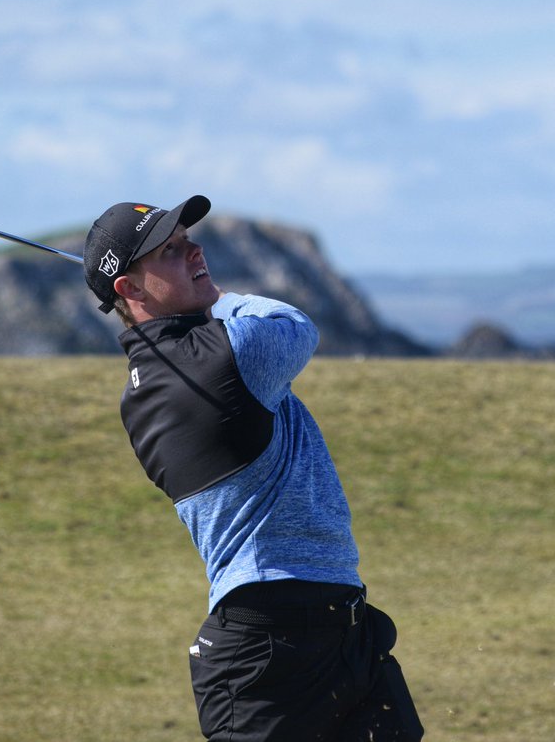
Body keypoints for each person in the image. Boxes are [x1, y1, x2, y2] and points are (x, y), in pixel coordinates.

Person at [83, 196, 423, 742]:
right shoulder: (227, 354)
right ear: (128, 288)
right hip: (270, 649)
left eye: (187, 238)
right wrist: (217, 300)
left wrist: (189, 302)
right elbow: (293, 324)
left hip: (333, 627)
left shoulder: (147, 386)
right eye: (170, 251)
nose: (194, 250)